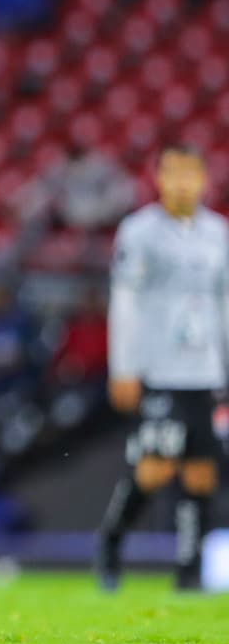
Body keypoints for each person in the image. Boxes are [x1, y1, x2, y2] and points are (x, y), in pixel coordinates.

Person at [95, 144, 226, 592]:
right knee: (155, 467)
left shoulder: (219, 234)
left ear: (205, 180)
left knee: (201, 469)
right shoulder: (139, 232)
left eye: (191, 173)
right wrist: (123, 367)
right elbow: (126, 302)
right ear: (160, 179)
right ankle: (110, 542)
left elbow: (224, 303)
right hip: (157, 369)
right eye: (174, 173)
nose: (183, 182)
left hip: (204, 370)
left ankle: (188, 572)